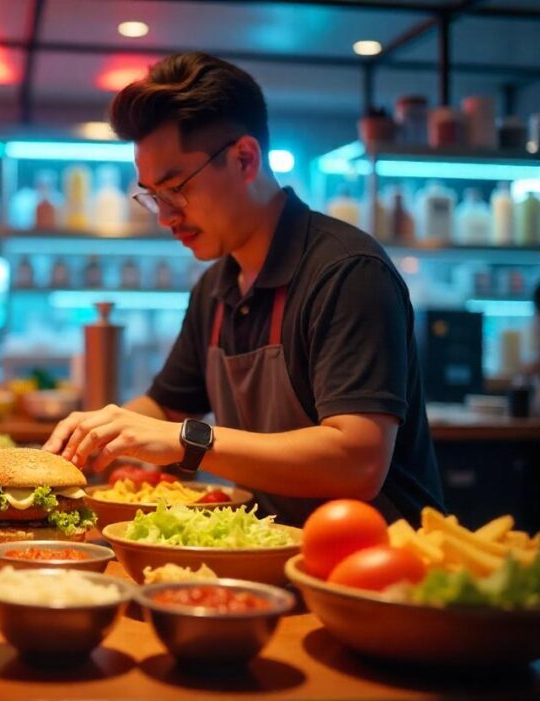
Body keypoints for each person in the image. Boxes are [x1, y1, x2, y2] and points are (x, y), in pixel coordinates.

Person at [44, 52, 444, 526]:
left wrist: (183, 441)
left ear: (244, 159)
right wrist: (96, 434)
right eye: (153, 196)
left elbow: (358, 460)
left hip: (378, 567)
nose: (166, 217)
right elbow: (167, 404)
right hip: (270, 553)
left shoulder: (347, 272)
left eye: (175, 189)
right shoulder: (216, 284)